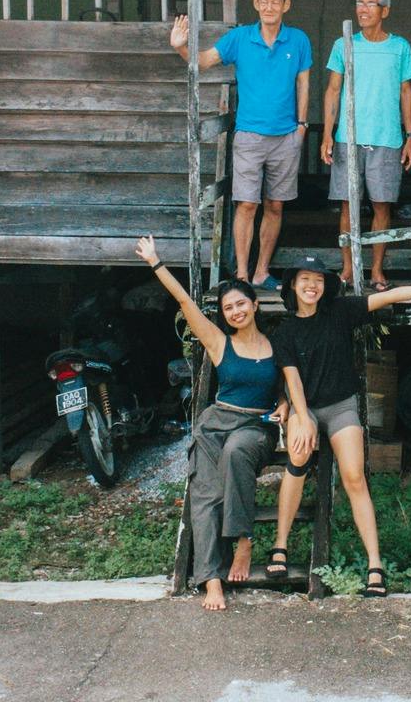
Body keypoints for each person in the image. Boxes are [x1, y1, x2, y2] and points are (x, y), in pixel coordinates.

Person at [266, 253, 411, 597]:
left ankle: (375, 564)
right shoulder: (284, 332)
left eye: (317, 280)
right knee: (298, 457)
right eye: (304, 279)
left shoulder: (341, 312)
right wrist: (301, 418)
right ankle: (280, 545)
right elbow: (293, 381)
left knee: (354, 476)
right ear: (292, 286)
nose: (312, 286)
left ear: (325, 286)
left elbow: (387, 296)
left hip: (342, 406)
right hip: (307, 408)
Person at [136, 235, 316, 611]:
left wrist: (284, 403)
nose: (235, 311)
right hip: (215, 424)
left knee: (237, 452)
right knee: (205, 498)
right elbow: (185, 302)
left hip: (255, 428)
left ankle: (244, 542)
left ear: (254, 305)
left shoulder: (275, 345)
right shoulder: (220, 343)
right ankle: (211, 581)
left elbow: (290, 385)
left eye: (241, 304)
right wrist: (156, 262)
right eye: (228, 307)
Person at [173, 0, 311, 289]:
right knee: (247, 204)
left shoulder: (299, 40)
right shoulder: (240, 38)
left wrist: (302, 126)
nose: (269, 7)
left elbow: (304, 83)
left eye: (276, 1)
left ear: (286, 5)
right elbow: (204, 61)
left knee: (276, 204)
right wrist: (181, 47)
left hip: (287, 135)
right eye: (264, 1)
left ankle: (262, 271)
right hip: (249, 135)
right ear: (255, 3)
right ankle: (242, 275)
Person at [320, 0, 411, 288]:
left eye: (371, 4)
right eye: (359, 3)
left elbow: (406, 91)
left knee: (381, 205)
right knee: (348, 205)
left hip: (387, 138)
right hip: (348, 137)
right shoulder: (344, 44)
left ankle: (376, 269)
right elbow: (333, 90)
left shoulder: (399, 46)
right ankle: (348, 268)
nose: (363, 9)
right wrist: (327, 134)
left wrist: (410, 135)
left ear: (384, 11)